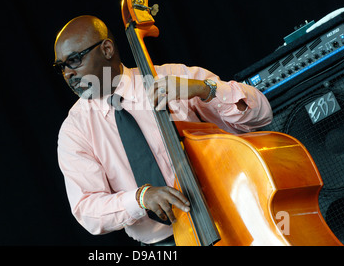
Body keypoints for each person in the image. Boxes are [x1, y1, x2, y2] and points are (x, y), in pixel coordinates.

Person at [54, 15, 273, 245]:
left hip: (236, 217)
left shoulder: (171, 77)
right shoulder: (74, 130)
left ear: (107, 49)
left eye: (74, 61)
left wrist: (204, 89)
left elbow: (260, 114)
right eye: (61, 67)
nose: (68, 74)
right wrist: (140, 199)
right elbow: (87, 209)